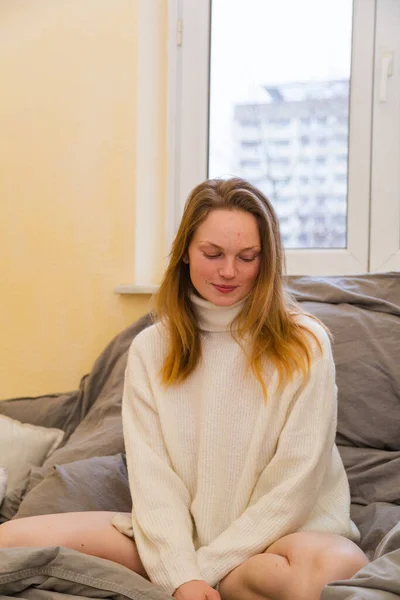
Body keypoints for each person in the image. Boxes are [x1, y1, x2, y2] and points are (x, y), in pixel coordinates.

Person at [0, 178, 368, 600]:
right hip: (177, 538)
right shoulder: (150, 348)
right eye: (212, 254)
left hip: (282, 537)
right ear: (185, 254)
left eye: (247, 257)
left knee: (331, 570)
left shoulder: (306, 342)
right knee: (10, 539)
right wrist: (178, 571)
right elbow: (154, 481)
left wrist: (199, 574)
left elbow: (293, 488)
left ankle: (219, 582)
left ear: (266, 261)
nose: (229, 271)